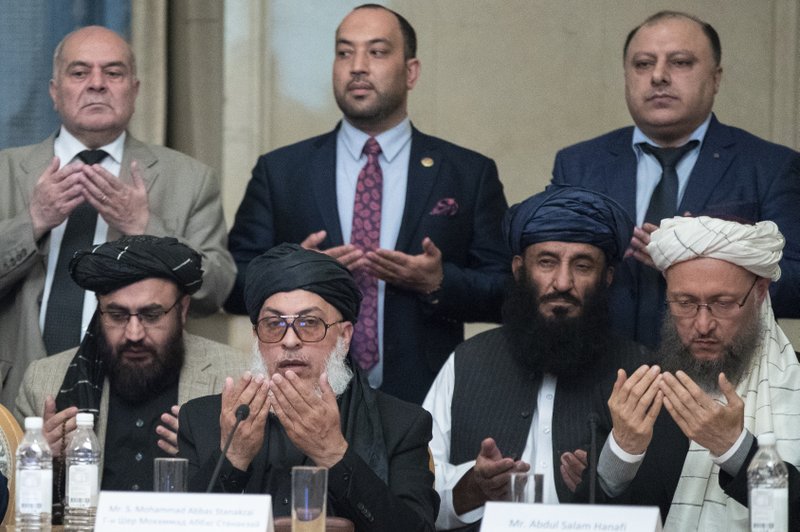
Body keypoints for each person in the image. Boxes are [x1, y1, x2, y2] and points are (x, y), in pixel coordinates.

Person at [224, 4, 510, 404]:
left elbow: (509, 291)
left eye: (376, 52)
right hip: (303, 395)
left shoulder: (466, 173)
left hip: (425, 401)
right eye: (344, 53)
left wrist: (439, 282)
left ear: (411, 71)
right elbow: (231, 283)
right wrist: (289, 274)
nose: (357, 66)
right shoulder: (281, 171)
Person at [0, 25, 235, 406]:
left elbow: (217, 288)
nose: (97, 84)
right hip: (14, 395)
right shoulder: (5, 171)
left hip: (138, 398)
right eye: (79, 73)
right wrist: (34, 221)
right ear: (53, 91)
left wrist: (146, 229)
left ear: (135, 90)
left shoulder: (190, 178)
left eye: (113, 72)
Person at [551, 10, 800, 349]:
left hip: (719, 379)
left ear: (715, 78)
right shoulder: (578, 164)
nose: (658, 76)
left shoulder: (770, 165)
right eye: (642, 64)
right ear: (626, 77)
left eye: (680, 62)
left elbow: (795, 285)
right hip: (599, 377)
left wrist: (696, 260)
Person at [423, 185, 649, 530]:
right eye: (547, 262)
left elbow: (669, 504)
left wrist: (608, 479)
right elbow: (417, 497)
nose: (562, 282)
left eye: (583, 265)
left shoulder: (639, 373)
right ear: (519, 269)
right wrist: (472, 489)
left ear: (607, 277)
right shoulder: (468, 361)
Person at [179, 243, 438, 531]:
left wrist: (335, 454)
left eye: (309, 322)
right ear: (257, 336)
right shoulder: (202, 420)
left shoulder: (402, 425)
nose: (289, 340)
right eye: (274, 324)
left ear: (344, 336)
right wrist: (234, 456)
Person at [595, 216, 800, 530]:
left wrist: (737, 451)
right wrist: (622, 454)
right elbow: (594, 513)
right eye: (685, 302)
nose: (703, 325)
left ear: (759, 293)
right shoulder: (638, 388)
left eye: (722, 303)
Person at [14, 236, 249, 501]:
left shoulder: (236, 377)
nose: (134, 333)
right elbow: (11, 502)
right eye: (117, 315)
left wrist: (217, 455)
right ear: (99, 311)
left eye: (151, 315)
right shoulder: (43, 382)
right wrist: (41, 462)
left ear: (182, 310)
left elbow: (263, 490)